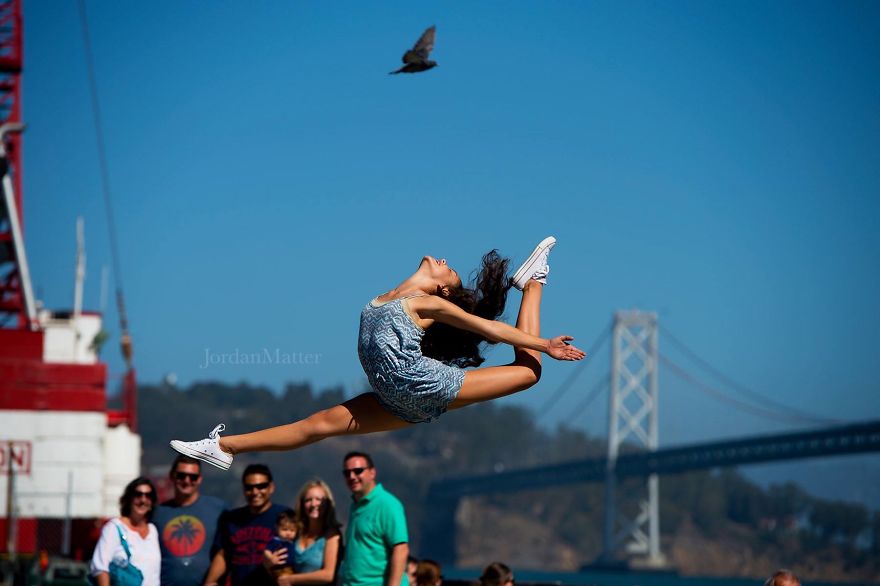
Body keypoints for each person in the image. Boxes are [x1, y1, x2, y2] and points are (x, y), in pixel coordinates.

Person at [171, 237, 585, 469]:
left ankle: (533, 283)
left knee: (530, 372)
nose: (444, 259)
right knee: (316, 425)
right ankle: (223, 448)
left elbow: (490, 327)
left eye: (450, 268)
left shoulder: (427, 304)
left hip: (425, 385)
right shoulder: (380, 300)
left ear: (442, 289)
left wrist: (546, 346)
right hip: (398, 401)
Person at [204, 464, 287, 586]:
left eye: (261, 486)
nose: (255, 492)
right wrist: (211, 582)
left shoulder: (285, 517)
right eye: (249, 487)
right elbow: (223, 554)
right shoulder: (231, 519)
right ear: (243, 489)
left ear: (271, 487)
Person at [153, 455, 227, 586]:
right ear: (172, 476)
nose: (187, 481)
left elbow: (228, 550)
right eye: (181, 475)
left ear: (200, 479)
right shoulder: (157, 513)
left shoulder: (218, 509)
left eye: (193, 477)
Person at [339, 452, 408, 586]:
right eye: (347, 473)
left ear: (372, 473)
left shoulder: (387, 504)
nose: (352, 476)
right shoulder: (355, 506)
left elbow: (401, 549)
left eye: (358, 471)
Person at [263, 479, 343, 585]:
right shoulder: (295, 533)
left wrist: (291, 579)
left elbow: (328, 575)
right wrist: (269, 562)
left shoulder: (331, 535)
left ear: (327, 504)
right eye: (308, 500)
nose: (314, 504)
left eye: (319, 499)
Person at [90, 477, 161, 586]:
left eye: (148, 496)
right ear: (129, 499)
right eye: (138, 495)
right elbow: (100, 568)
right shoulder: (114, 528)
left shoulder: (153, 531)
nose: (143, 500)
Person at [264, 509, 298, 578]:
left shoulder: (293, 542)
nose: (288, 533)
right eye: (285, 529)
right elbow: (266, 550)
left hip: (291, 568)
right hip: (279, 568)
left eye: (292, 530)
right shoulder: (276, 540)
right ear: (277, 528)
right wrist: (271, 558)